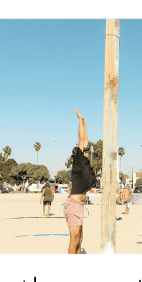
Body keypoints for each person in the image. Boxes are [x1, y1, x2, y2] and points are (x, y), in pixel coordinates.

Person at [63, 109, 97, 254]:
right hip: (73, 205)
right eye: (84, 150)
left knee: (80, 238)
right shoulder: (78, 162)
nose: (86, 151)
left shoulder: (84, 164)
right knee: (75, 239)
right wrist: (79, 119)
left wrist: (85, 125)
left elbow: (86, 140)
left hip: (79, 205)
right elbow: (82, 140)